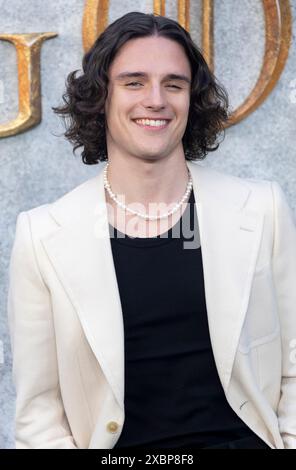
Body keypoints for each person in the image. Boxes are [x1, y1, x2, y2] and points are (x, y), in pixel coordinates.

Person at [7, 11, 296, 449]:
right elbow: (38, 414)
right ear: (101, 97)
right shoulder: (42, 235)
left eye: (174, 84)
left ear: (191, 99)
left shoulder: (262, 209)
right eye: (134, 82)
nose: (156, 99)